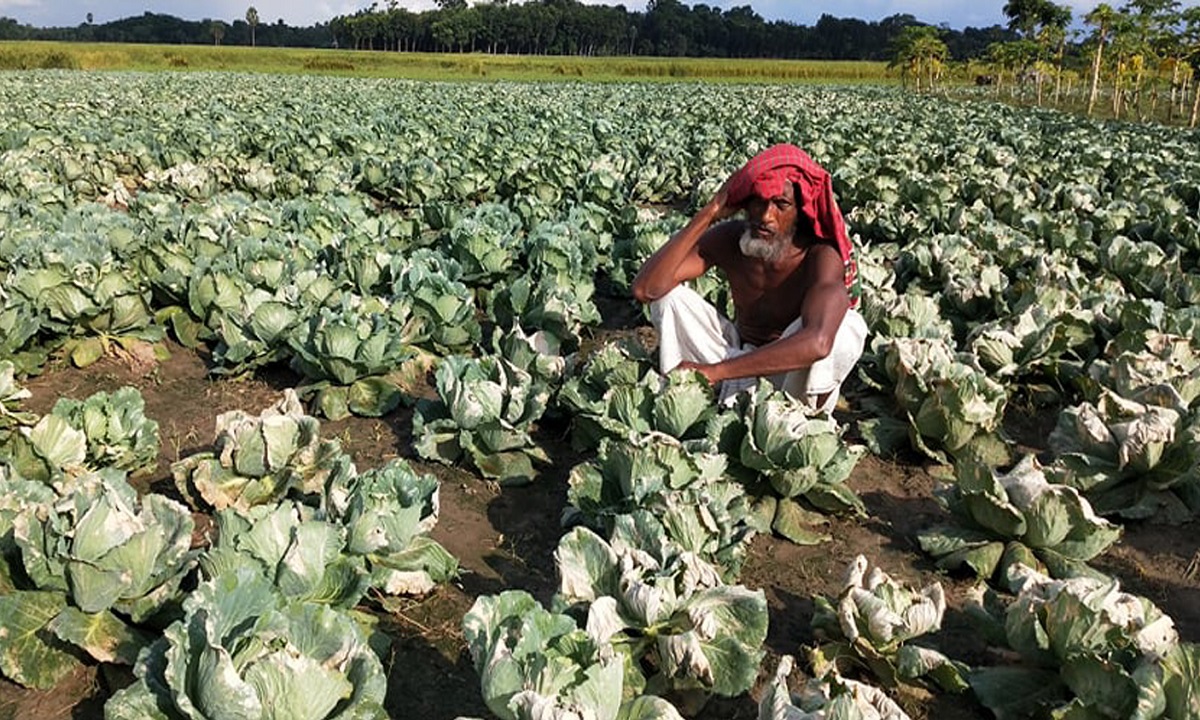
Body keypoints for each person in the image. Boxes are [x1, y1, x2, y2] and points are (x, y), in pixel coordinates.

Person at [631, 143, 868, 411]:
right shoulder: (731, 239)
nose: (766, 216)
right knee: (667, 298)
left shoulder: (820, 256)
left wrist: (715, 372)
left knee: (846, 328)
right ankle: (689, 396)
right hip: (733, 355)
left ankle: (800, 418)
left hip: (786, 379)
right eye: (758, 201)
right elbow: (646, 289)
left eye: (781, 204)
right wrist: (710, 211)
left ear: (801, 211)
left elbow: (819, 342)